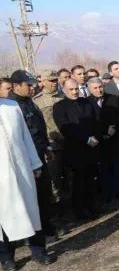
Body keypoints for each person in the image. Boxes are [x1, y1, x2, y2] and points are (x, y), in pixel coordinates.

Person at [0, 97, 55, 271]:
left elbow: (26, 137)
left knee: (32, 210)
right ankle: (6, 257)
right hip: (2, 176)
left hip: (22, 168)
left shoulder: (12, 106)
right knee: (4, 216)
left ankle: (39, 250)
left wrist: (34, 163)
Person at [8, 70, 59, 237]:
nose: (32, 88)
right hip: (25, 159)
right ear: (16, 86)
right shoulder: (11, 106)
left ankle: (46, 227)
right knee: (33, 197)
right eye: (28, 85)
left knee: (44, 193)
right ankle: (36, 233)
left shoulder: (28, 101)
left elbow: (38, 128)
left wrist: (46, 148)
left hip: (39, 153)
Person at [54, 79, 103, 219]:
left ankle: (92, 206)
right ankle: (80, 211)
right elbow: (66, 128)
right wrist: (86, 139)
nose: (75, 92)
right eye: (71, 89)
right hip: (75, 150)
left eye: (76, 89)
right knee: (78, 181)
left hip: (92, 147)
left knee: (91, 178)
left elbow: (97, 120)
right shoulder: (59, 107)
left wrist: (95, 137)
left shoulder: (87, 102)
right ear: (63, 90)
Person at [33, 70, 66, 216]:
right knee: (54, 179)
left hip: (68, 142)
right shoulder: (37, 102)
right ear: (43, 82)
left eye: (56, 80)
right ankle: (57, 214)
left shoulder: (63, 96)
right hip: (52, 145)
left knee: (70, 175)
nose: (54, 83)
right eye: (51, 80)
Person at [88, 78, 119, 201]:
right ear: (89, 89)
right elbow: (90, 121)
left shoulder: (114, 99)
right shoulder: (86, 103)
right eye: (95, 88)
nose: (99, 90)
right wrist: (103, 132)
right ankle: (106, 194)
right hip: (98, 142)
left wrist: (113, 130)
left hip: (115, 138)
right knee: (103, 169)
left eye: (100, 87)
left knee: (116, 166)